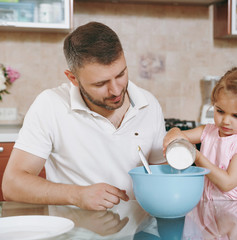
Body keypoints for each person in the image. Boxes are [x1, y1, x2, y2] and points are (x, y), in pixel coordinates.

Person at [2, 22, 166, 210]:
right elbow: (12, 185)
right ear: (73, 78)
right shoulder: (50, 105)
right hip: (73, 232)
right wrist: (76, 195)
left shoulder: (149, 104)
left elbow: (161, 177)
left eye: (121, 74)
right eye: (100, 83)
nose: (116, 90)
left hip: (137, 232)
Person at [163, 67, 237, 200]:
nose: (226, 121)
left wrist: (197, 157)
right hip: (210, 204)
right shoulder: (207, 131)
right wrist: (173, 131)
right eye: (220, 111)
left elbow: (227, 183)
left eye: (236, 116)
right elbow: (180, 136)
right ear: (214, 104)